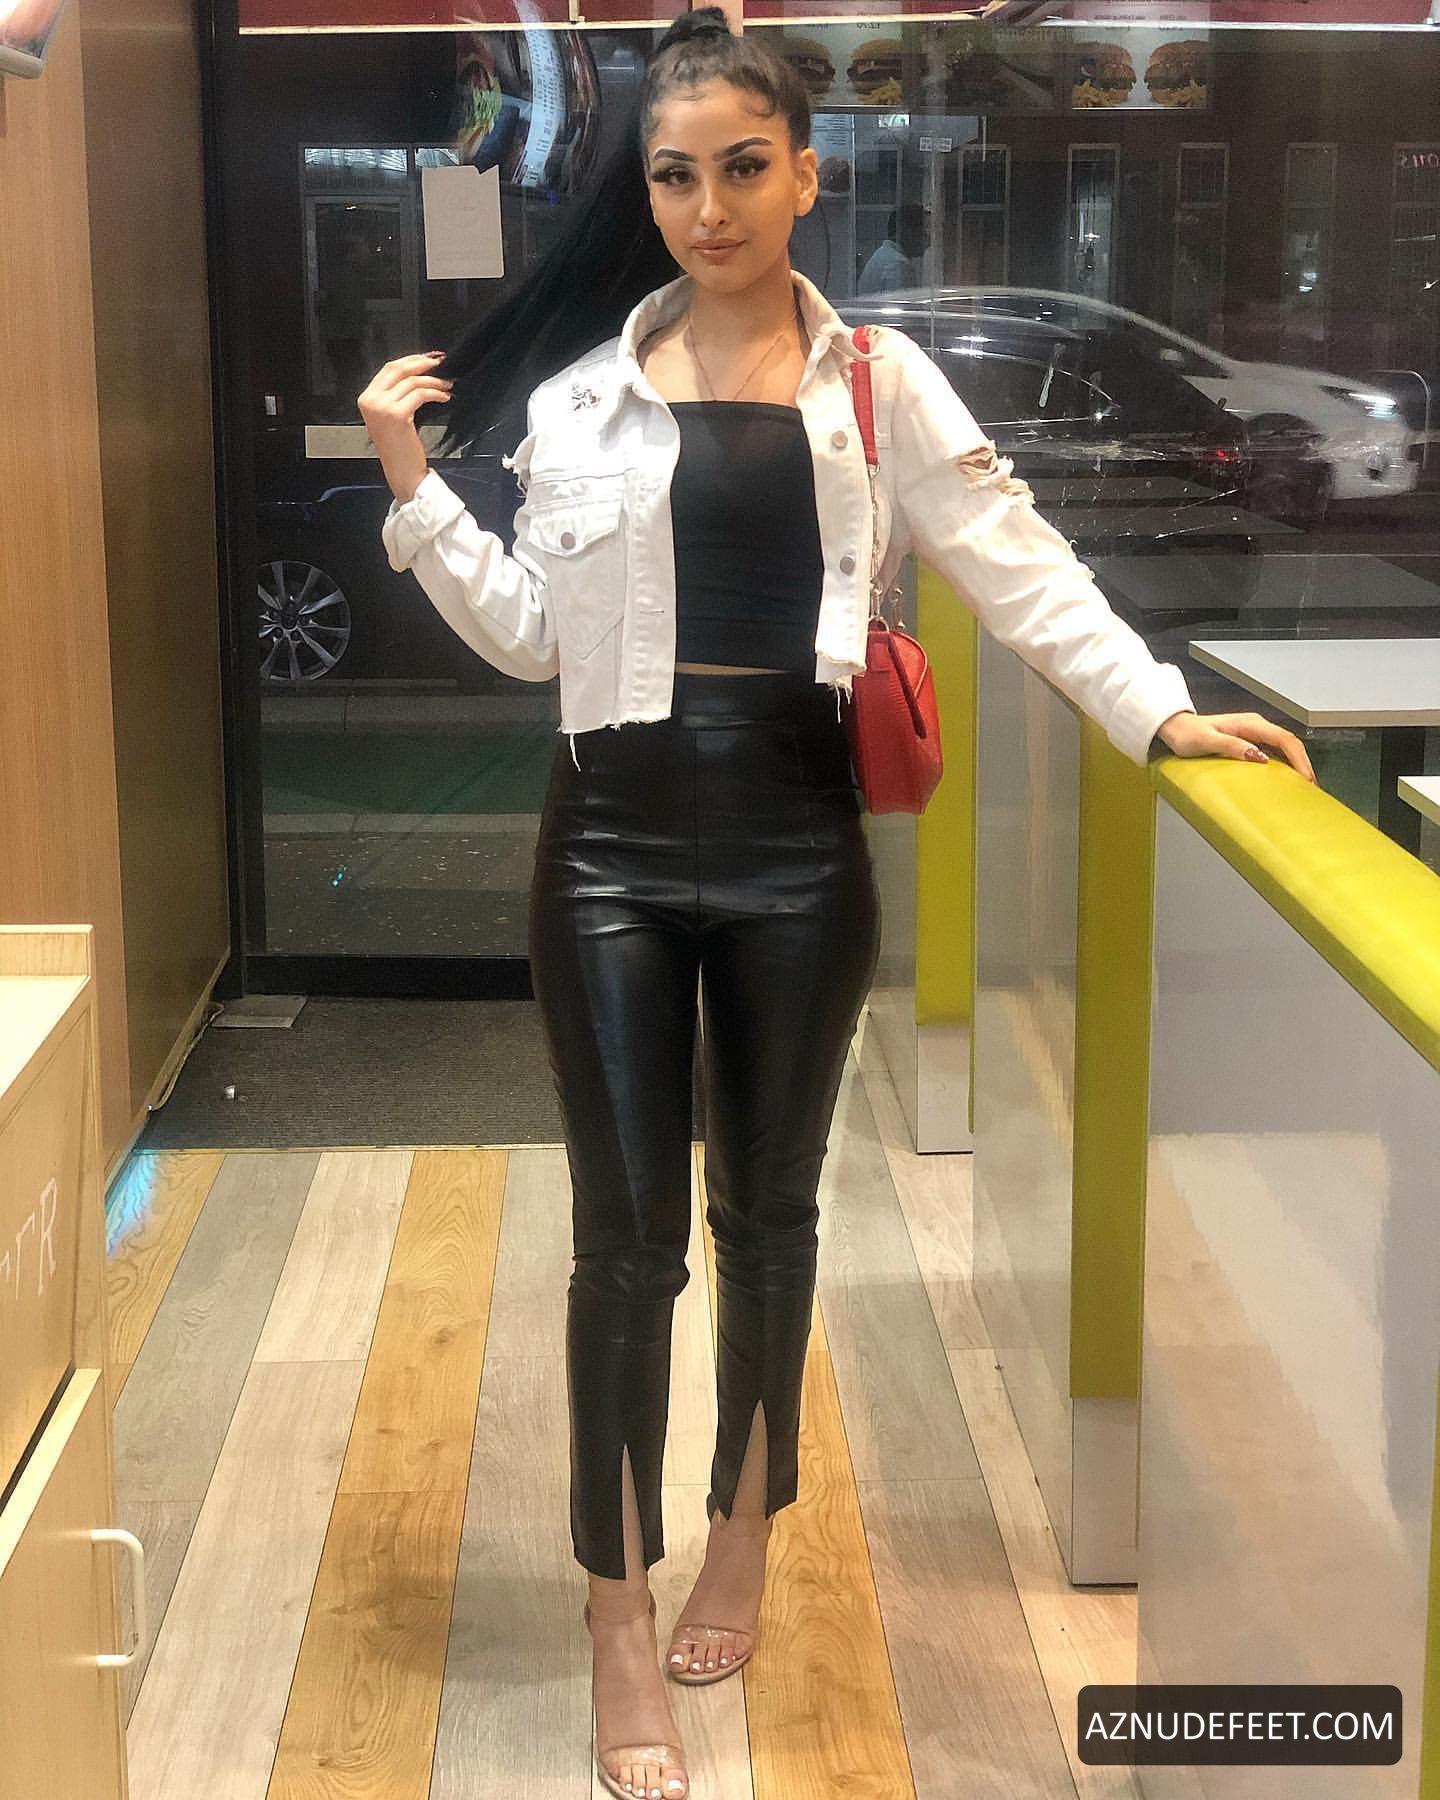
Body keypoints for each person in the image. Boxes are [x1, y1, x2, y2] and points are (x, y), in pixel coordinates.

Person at [358, 13, 1315, 1797]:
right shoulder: (579, 398)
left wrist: (1157, 709)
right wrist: (417, 498)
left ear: (807, 174)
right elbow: (534, 642)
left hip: (799, 846)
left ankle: (745, 1528)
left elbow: (1022, 567)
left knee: (772, 1218)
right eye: (674, 175)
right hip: (607, 850)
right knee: (622, 1247)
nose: (708, 206)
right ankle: (616, 1608)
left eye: (743, 168)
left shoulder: (878, 381)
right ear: (647, 193)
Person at [857, 201, 929, 295]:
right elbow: (902, 303)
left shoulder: (882, 255)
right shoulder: (898, 265)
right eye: (923, 233)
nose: (928, 242)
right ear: (906, 231)